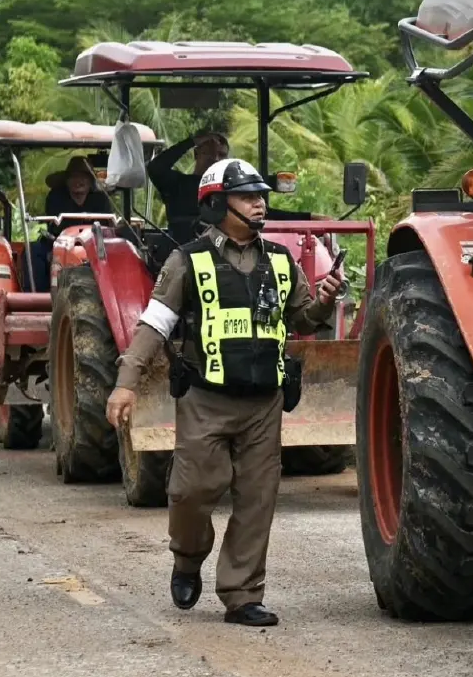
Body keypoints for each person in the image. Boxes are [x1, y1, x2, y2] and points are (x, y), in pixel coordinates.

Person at [105, 158, 344, 628]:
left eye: (261, 197)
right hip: (204, 400)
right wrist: (125, 384)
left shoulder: (281, 260)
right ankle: (187, 557)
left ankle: (242, 595)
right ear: (216, 204)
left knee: (258, 499)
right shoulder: (186, 261)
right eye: (248, 197)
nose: (260, 205)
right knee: (191, 491)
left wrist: (325, 300)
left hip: (264, 403)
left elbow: (301, 319)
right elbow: (154, 326)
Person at [147, 131, 329, 243]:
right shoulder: (176, 184)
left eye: (221, 155)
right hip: (180, 251)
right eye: (209, 153)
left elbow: (262, 213)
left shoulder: (229, 190)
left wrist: (309, 218)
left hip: (226, 256)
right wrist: (192, 140)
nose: (215, 159)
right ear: (196, 154)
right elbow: (155, 168)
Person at [29, 156, 115, 292]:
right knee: (32, 251)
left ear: (91, 181)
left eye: (84, 177)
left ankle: (112, 292)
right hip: (58, 242)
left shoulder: (101, 199)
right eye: (74, 177)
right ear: (67, 181)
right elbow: (55, 226)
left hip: (95, 245)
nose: (79, 181)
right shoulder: (56, 197)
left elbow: (107, 227)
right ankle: (37, 295)